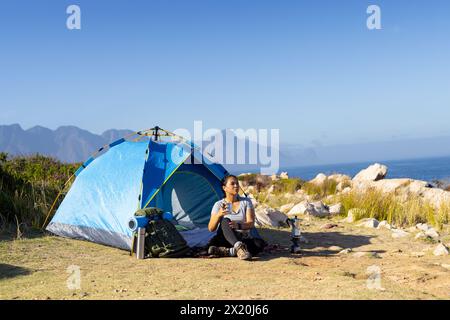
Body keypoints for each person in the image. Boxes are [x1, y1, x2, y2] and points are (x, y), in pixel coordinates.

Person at [207, 175, 267, 260]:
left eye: (237, 183)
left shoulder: (246, 202)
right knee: (225, 220)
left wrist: (238, 225)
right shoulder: (218, 204)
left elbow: (250, 223)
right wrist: (219, 215)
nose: (236, 186)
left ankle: (230, 251)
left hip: (241, 237)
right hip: (225, 239)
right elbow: (211, 228)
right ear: (225, 188)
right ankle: (238, 247)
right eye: (232, 184)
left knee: (259, 244)